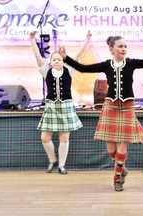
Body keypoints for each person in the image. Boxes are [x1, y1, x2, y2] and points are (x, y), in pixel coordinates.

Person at [58, 35, 143, 191]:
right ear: (111, 49)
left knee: (121, 149)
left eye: (125, 46)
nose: (124, 49)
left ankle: (117, 179)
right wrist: (66, 58)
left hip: (127, 107)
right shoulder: (107, 65)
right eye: (120, 46)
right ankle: (122, 169)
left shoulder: (131, 63)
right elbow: (83, 68)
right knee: (112, 151)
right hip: (110, 107)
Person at [29, 30, 92, 174]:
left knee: (64, 137)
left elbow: (77, 55)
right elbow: (37, 55)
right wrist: (32, 39)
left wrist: (87, 39)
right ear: (50, 62)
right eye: (54, 59)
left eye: (59, 59)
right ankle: (52, 160)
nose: (57, 61)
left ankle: (61, 165)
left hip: (66, 106)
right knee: (45, 137)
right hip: (51, 106)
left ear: (63, 61)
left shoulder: (69, 70)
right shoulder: (46, 70)